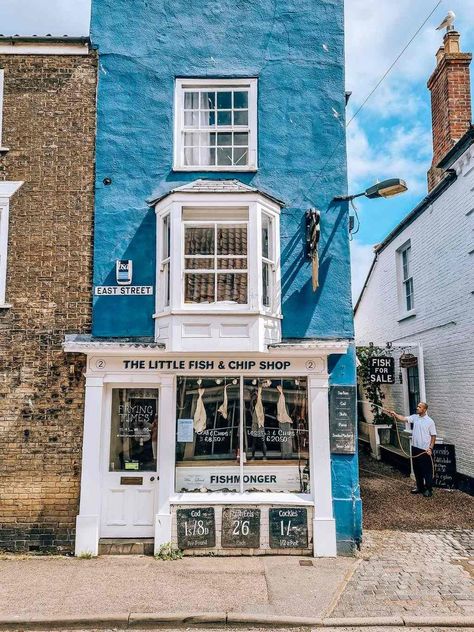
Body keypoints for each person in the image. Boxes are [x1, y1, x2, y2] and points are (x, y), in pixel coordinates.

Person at [387, 402, 437, 497]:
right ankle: (420, 487)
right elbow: (403, 418)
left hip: (425, 450)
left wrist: (430, 448)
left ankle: (429, 489)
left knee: (427, 471)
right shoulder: (415, 417)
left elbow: (433, 436)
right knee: (417, 469)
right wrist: (395, 414)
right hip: (415, 448)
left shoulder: (430, 421)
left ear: (425, 409)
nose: (417, 408)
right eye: (417, 406)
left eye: (419, 407)